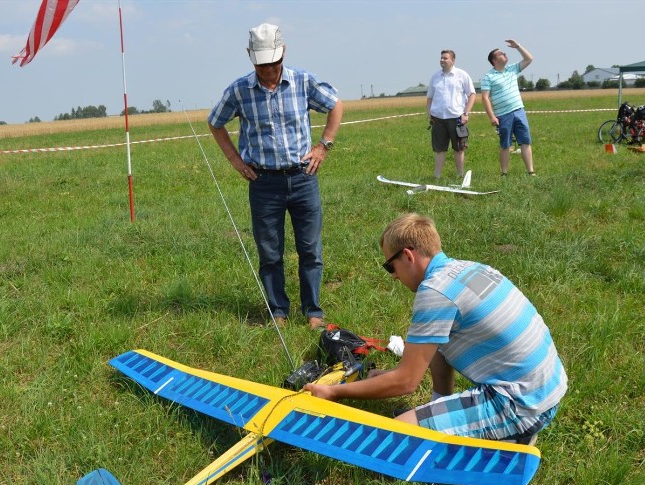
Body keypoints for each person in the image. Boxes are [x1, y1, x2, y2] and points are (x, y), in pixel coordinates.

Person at [305, 213, 567, 442]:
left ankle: (511, 436)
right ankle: (452, 416)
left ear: (407, 255)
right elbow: (439, 348)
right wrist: (435, 401)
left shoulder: (435, 292)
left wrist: (333, 392)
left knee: (393, 439)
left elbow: (406, 383)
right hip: (548, 388)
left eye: (389, 266)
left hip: (521, 404)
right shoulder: (469, 269)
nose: (393, 275)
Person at [208, 23, 343, 329]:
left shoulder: (302, 81)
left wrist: (323, 146)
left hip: (303, 177)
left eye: (274, 62)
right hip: (263, 183)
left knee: (310, 248)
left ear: (283, 53)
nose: (269, 70)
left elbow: (335, 105)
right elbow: (215, 122)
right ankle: (278, 312)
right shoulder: (239, 90)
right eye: (262, 64)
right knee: (270, 252)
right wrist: (233, 158)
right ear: (250, 57)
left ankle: (313, 312)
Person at [481, 39, 535, 177]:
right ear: (494, 60)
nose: (504, 54)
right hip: (503, 115)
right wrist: (492, 116)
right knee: (505, 144)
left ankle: (531, 171)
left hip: (519, 110)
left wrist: (517, 46)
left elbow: (529, 59)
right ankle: (504, 173)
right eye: (500, 53)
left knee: (525, 141)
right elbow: (485, 98)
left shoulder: (512, 69)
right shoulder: (488, 77)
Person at [426, 50, 476, 180]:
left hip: (457, 118)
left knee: (459, 148)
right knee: (439, 149)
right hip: (438, 119)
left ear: (453, 60)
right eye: (441, 58)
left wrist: (466, 113)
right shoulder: (435, 77)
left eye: (445, 58)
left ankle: (460, 175)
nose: (442, 60)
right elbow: (430, 97)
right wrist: (429, 113)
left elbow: (472, 94)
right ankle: (437, 177)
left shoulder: (462, 75)